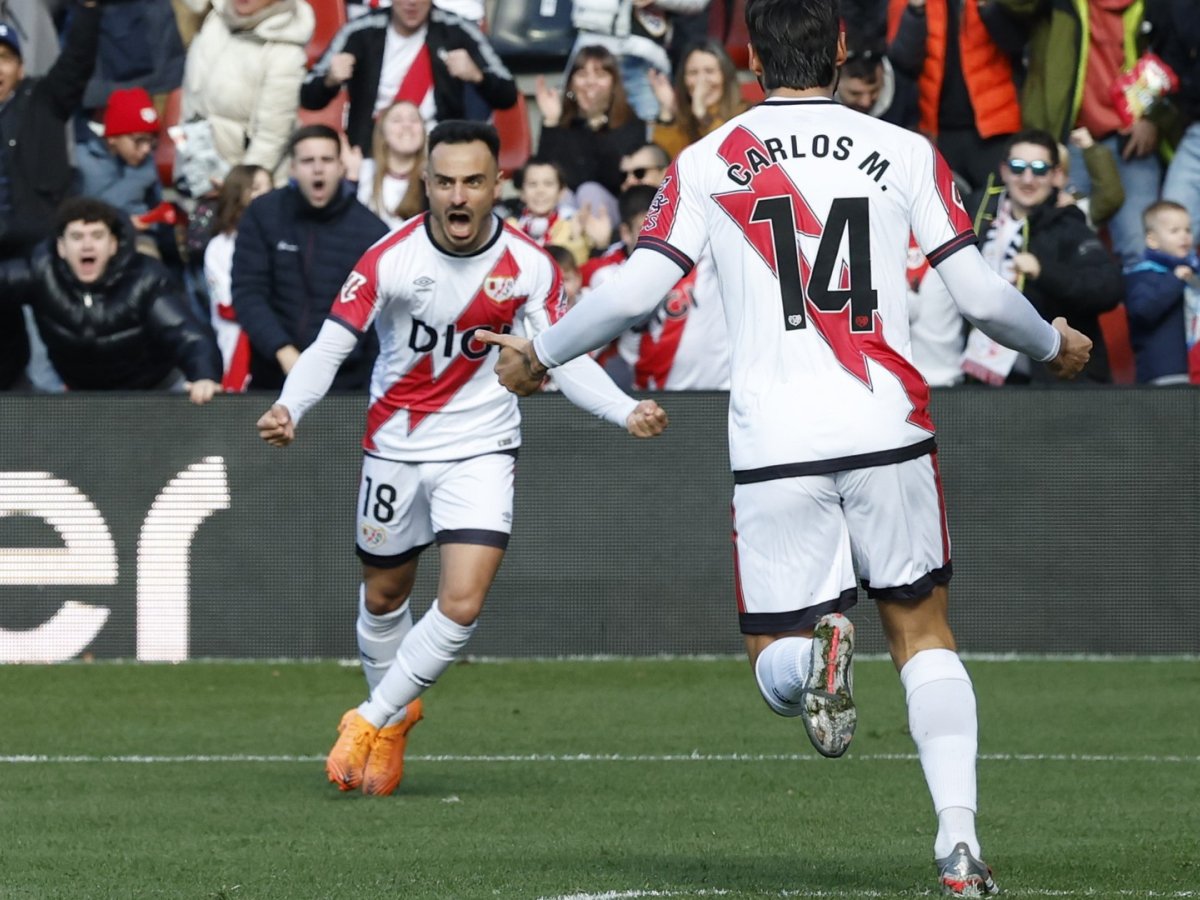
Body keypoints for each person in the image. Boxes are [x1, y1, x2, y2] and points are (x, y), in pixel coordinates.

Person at [478, 0, 1093, 894]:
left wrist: (543, 351)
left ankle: (815, 659)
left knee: (773, 660)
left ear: (752, 58)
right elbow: (983, 297)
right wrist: (1055, 344)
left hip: (776, 442)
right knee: (924, 634)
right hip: (889, 424)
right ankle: (956, 840)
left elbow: (634, 291)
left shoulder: (707, 159)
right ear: (843, 51)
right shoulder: (906, 150)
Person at [255, 120, 668, 797]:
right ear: (425, 184)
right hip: (395, 448)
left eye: (472, 181)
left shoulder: (530, 267)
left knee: (462, 601)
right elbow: (331, 345)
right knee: (385, 596)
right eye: (444, 181)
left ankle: (369, 720)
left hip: (481, 446)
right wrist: (288, 409)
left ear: (494, 185)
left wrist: (625, 410)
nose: (457, 195)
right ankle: (395, 718)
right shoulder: (387, 259)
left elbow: (565, 355)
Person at [0, 197, 222, 401]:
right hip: (83, 395)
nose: (87, 245)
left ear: (113, 245)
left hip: (155, 390)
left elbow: (187, 334)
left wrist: (204, 375)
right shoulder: (41, 271)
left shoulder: (145, 279)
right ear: (61, 247)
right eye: (76, 237)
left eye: (97, 236)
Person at [232, 124, 389, 392]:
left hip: (345, 385)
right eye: (308, 161)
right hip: (274, 373)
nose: (318, 169)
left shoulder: (372, 232)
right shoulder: (263, 214)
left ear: (341, 167)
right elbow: (248, 292)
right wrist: (283, 351)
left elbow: (378, 320)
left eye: (327, 160)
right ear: (292, 168)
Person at [963, 130, 1123, 385]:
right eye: (1017, 167)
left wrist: (1044, 272)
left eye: (1039, 169)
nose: (1027, 179)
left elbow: (1108, 288)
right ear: (1003, 171)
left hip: (1053, 385)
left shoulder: (1070, 224)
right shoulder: (977, 215)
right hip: (981, 376)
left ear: (1056, 175)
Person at [0, 4, 103, 391]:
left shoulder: (44, 98)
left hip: (42, 249)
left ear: (20, 68)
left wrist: (89, 10)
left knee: (50, 354)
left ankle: (57, 432)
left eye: (4, 59)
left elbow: (78, 58)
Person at [300, 0, 517, 150]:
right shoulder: (359, 31)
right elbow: (308, 96)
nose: (411, 2)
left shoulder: (457, 29)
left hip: (436, 151)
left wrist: (477, 76)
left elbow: (508, 93)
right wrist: (330, 80)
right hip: (372, 153)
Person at [887, 0, 1023, 192]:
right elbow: (903, 61)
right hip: (937, 132)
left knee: (994, 210)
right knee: (943, 212)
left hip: (994, 130)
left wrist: (988, 8)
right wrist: (915, 11)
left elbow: (1016, 44)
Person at [180, 0, 315, 180]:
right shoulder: (215, 20)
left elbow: (272, 137)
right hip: (195, 171)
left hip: (244, 186)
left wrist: (239, 185)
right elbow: (190, 103)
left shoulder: (285, 52)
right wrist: (189, 167)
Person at [534, 45, 647, 210]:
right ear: (571, 84)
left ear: (613, 83)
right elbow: (544, 177)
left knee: (589, 191)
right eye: (582, 74)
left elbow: (612, 177)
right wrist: (551, 122)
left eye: (600, 75)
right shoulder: (563, 123)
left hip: (611, 211)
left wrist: (596, 122)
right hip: (568, 212)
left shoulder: (630, 123)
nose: (590, 82)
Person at [205, 164, 273, 391]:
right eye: (255, 188)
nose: (265, 194)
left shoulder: (281, 238)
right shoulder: (220, 246)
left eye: (269, 188)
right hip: (236, 343)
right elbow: (228, 306)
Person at [74, 87, 165, 249]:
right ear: (113, 138)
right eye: (139, 140)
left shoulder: (147, 163)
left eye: (151, 141)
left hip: (140, 239)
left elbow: (156, 208)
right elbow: (88, 209)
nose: (146, 149)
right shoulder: (85, 160)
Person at [1123, 200, 1197, 385]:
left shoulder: (1191, 275)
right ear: (1152, 240)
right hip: (1164, 373)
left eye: (1187, 230)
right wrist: (1174, 280)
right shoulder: (1143, 274)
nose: (1184, 236)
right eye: (1175, 231)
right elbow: (1142, 310)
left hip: (1193, 372)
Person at [648, 40, 747, 159]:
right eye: (693, 73)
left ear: (726, 76)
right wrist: (667, 110)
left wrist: (702, 114)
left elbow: (731, 154)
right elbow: (664, 164)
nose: (701, 82)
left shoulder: (746, 114)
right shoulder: (684, 119)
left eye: (709, 71)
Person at [507, 157, 608, 266]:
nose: (540, 191)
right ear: (522, 192)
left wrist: (579, 239)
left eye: (548, 184)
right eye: (532, 184)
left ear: (561, 192)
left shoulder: (573, 224)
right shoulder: (510, 228)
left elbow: (578, 271)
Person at [346, 99, 428, 230]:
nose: (407, 125)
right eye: (397, 120)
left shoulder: (432, 177)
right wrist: (351, 180)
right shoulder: (362, 170)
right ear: (382, 132)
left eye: (414, 120)